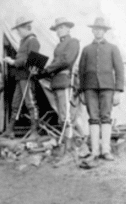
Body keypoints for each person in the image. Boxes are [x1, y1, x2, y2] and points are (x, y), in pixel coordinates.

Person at [79, 17, 124, 162]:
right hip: (89, 88)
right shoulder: (86, 49)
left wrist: (118, 91)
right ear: (92, 31)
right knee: (93, 118)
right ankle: (95, 151)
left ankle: (106, 150)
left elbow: (119, 71)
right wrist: (81, 91)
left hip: (108, 88)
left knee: (106, 117)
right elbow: (81, 72)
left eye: (101, 29)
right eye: (95, 29)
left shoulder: (113, 48)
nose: (98, 31)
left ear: (104, 31)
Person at [41, 17, 80, 166]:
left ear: (69, 28)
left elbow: (65, 61)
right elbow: (54, 63)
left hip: (65, 81)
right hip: (57, 82)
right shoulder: (58, 46)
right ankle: (68, 148)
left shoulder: (73, 42)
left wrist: (48, 69)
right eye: (57, 28)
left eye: (62, 27)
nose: (59, 30)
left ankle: (69, 150)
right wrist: (43, 72)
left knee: (67, 116)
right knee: (62, 116)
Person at [3, 17, 40, 139]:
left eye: (19, 29)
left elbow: (32, 60)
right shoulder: (23, 41)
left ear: (26, 28)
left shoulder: (33, 40)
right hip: (21, 77)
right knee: (15, 103)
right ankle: (10, 130)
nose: (18, 32)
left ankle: (34, 132)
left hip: (27, 76)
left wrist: (13, 62)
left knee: (30, 103)